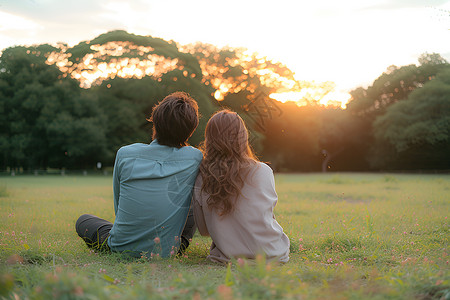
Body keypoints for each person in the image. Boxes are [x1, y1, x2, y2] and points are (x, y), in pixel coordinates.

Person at [76, 92, 202, 258]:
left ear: (155, 121)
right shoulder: (195, 157)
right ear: (190, 131)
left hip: (120, 247)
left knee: (83, 220)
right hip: (166, 252)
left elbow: (118, 204)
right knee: (192, 204)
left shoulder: (125, 154)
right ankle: (169, 245)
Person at [193, 110, 290, 264]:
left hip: (229, 257)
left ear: (209, 140)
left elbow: (204, 231)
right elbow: (266, 216)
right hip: (274, 254)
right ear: (243, 137)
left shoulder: (201, 177)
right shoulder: (263, 170)